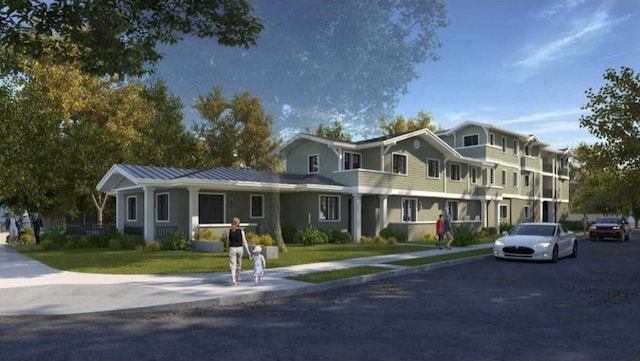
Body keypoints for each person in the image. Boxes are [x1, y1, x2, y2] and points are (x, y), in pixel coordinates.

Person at [225, 217, 251, 286]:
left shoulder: (230, 231)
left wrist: (227, 248)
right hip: (240, 248)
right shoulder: (241, 231)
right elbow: (244, 241)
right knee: (239, 264)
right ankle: (238, 277)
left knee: (232, 265)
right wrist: (248, 251)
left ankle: (234, 280)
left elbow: (228, 241)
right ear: (238, 223)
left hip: (232, 248)